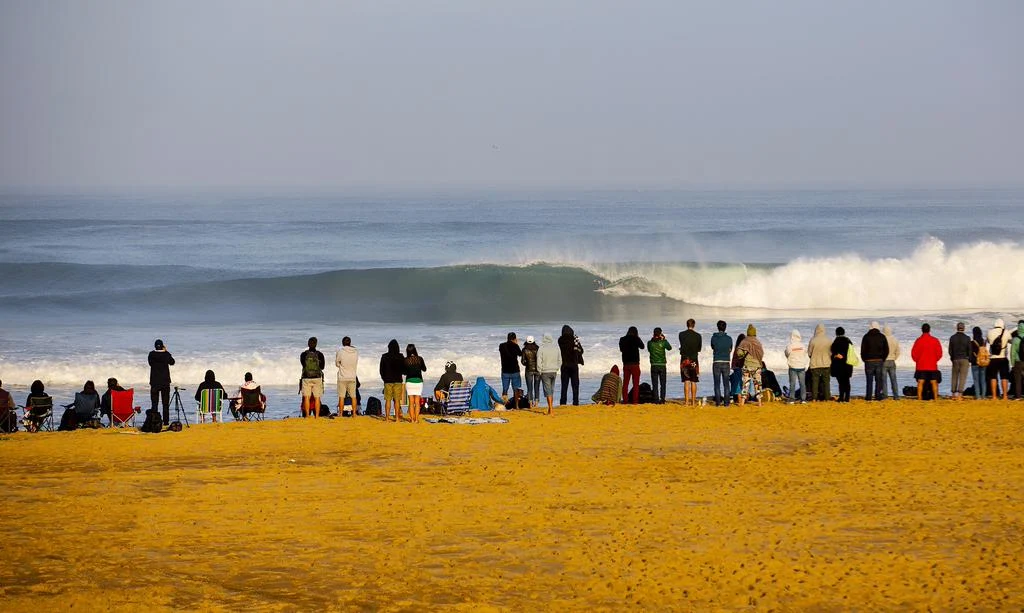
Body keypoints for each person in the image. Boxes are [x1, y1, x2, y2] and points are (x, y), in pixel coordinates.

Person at [911, 323, 943, 401]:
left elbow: (913, 353)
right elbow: (939, 353)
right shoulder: (935, 340)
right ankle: (935, 398)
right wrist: (935, 360)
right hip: (932, 365)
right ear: (929, 330)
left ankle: (919, 398)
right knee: (934, 382)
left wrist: (917, 361)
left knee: (920, 382)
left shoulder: (918, 340)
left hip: (921, 365)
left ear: (922, 330)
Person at [148, 339, 175, 426]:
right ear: (163, 346)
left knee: (154, 403)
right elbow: (172, 362)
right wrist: (166, 351)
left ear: (155, 346)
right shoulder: (166, 354)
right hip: (165, 382)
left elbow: (150, 363)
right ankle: (166, 422)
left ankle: (154, 421)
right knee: (165, 404)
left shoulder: (151, 354)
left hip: (154, 382)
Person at [735, 326, 764, 407]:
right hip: (757, 366)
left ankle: (743, 402)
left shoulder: (744, 341)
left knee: (745, 384)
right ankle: (760, 402)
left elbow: (739, 353)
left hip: (747, 365)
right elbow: (761, 353)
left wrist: (743, 355)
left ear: (748, 332)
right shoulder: (758, 342)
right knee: (758, 384)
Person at [860, 322, 889, 401]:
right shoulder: (882, 336)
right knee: (878, 380)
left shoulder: (866, 337)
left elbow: (862, 350)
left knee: (869, 380)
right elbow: (886, 350)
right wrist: (883, 359)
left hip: (868, 361)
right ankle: (877, 396)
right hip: (879, 361)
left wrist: (864, 359)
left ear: (870, 327)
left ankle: (868, 397)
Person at [379, 339, 405, 422]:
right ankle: (397, 418)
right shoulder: (401, 356)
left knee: (388, 400)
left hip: (388, 380)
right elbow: (403, 369)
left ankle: (387, 418)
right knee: (397, 400)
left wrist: (384, 378)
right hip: (398, 380)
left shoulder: (384, 356)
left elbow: (381, 370)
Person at [299, 337, 326, 419]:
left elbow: (303, 365)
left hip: (306, 377)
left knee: (306, 397)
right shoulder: (319, 354)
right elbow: (322, 367)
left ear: (308, 344)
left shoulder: (303, 354)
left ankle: (307, 416)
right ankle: (317, 416)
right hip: (317, 377)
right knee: (317, 397)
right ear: (316, 344)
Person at [558, 325, 584, 406]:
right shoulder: (575, 339)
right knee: (575, 385)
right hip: (574, 365)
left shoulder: (560, 340)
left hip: (564, 365)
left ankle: (563, 402)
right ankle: (575, 402)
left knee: (564, 386)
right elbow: (581, 351)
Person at [987, 318, 1013, 400]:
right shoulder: (1006, 332)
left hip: (993, 358)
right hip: (1003, 358)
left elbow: (988, 341)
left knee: (993, 377)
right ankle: (1005, 396)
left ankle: (994, 396)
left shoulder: (989, 332)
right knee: (1004, 377)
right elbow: (1011, 341)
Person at [678, 319, 702, 407]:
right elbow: (699, 349)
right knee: (694, 381)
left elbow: (682, 345)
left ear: (686, 325)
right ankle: (693, 402)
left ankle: (687, 402)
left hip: (684, 360)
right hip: (694, 360)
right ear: (694, 325)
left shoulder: (681, 334)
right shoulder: (698, 336)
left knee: (686, 380)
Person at [618, 327, 645, 404]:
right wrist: (638, 338)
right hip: (635, 364)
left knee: (625, 383)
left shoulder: (622, 339)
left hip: (626, 364)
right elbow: (642, 347)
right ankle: (635, 401)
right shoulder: (636, 339)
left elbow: (621, 349)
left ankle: (626, 400)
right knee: (636, 384)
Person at [537, 333, 561, 415]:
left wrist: (540, 370)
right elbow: (560, 360)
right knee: (551, 390)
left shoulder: (541, 348)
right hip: (554, 371)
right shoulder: (556, 348)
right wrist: (557, 368)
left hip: (545, 371)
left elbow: (539, 361)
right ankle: (550, 409)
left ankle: (551, 410)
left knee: (548, 391)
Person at [710, 321, 732, 407]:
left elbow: (713, 347)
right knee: (726, 384)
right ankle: (726, 403)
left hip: (716, 362)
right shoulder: (729, 338)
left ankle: (718, 403)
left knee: (717, 384)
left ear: (717, 327)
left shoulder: (713, 338)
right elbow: (730, 349)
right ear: (725, 328)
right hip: (726, 362)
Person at [807, 324, 832, 402]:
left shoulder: (813, 340)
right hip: (826, 364)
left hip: (815, 364)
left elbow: (809, 353)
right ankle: (827, 398)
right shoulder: (829, 340)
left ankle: (814, 398)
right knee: (826, 382)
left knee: (815, 382)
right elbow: (831, 352)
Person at [335, 336, 359, 416]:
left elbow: (337, 363)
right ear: (350, 343)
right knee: (353, 397)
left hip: (342, 377)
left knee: (341, 396)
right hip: (352, 376)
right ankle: (354, 414)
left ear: (343, 343)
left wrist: (342, 366)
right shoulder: (355, 351)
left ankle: (341, 414)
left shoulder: (340, 351)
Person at [647, 327, 671, 404]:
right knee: (663, 383)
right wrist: (664, 339)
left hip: (654, 365)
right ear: (660, 334)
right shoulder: (663, 342)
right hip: (662, 365)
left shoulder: (650, 343)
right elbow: (669, 348)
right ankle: (662, 399)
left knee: (655, 383)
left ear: (653, 333)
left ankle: (656, 400)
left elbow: (649, 350)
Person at [948, 322, 971, 401]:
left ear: (957, 328)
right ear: (964, 328)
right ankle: (960, 395)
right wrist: (968, 358)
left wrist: (952, 357)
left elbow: (950, 350)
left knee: (954, 376)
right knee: (962, 377)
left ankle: (953, 394)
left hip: (955, 359)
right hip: (964, 359)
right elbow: (969, 350)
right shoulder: (967, 338)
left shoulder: (952, 337)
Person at [404, 344, 427, 423]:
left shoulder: (406, 360)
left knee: (411, 402)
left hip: (409, 381)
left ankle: (412, 420)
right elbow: (424, 369)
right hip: (418, 381)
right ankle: (416, 419)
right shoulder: (419, 359)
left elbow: (404, 372)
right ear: (415, 350)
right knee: (417, 402)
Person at [784, 329, 809, 403]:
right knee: (802, 383)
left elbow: (786, 354)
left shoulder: (789, 346)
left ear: (791, 336)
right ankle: (803, 399)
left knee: (792, 383)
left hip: (793, 366)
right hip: (801, 366)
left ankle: (792, 399)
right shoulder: (803, 345)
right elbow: (805, 353)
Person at [830, 327, 853, 403]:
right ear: (844, 332)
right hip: (847, 364)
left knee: (841, 382)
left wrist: (837, 355)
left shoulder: (836, 342)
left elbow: (833, 352)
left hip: (838, 364)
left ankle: (841, 397)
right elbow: (851, 352)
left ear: (836, 333)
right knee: (847, 381)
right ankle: (847, 398)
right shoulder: (848, 341)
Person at [498, 332, 523, 402]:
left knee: (505, 389)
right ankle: (517, 405)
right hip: (515, 370)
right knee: (516, 389)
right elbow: (520, 354)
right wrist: (516, 344)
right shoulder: (515, 346)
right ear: (515, 338)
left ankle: (504, 403)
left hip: (505, 371)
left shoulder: (502, 346)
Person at [883, 324, 901, 401]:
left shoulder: (882, 339)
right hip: (892, 361)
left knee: (884, 380)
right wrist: (894, 358)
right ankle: (896, 396)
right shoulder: (895, 339)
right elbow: (898, 351)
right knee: (893, 379)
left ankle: (885, 395)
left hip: (884, 361)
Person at [521, 336, 541, 407]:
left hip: (529, 370)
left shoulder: (524, 349)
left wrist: (528, 364)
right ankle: (536, 403)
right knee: (537, 387)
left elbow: (523, 362)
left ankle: (530, 404)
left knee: (529, 388)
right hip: (538, 370)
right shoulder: (538, 348)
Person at [970, 326, 988, 399]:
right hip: (983, 362)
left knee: (976, 380)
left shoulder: (972, 342)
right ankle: (983, 396)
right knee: (983, 380)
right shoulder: (983, 341)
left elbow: (970, 353)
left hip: (975, 363)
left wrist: (970, 360)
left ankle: (978, 396)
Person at [730, 333, 746, 402]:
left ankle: (738, 398)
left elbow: (734, 360)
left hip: (735, 367)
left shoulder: (736, 348)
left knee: (738, 383)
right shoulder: (742, 349)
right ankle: (741, 399)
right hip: (740, 367)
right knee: (742, 383)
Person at [1010, 320, 1024, 400]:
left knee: (1018, 379)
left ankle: (1018, 396)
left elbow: (1012, 353)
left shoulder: (1015, 339)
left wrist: (1012, 363)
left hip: (1018, 362)